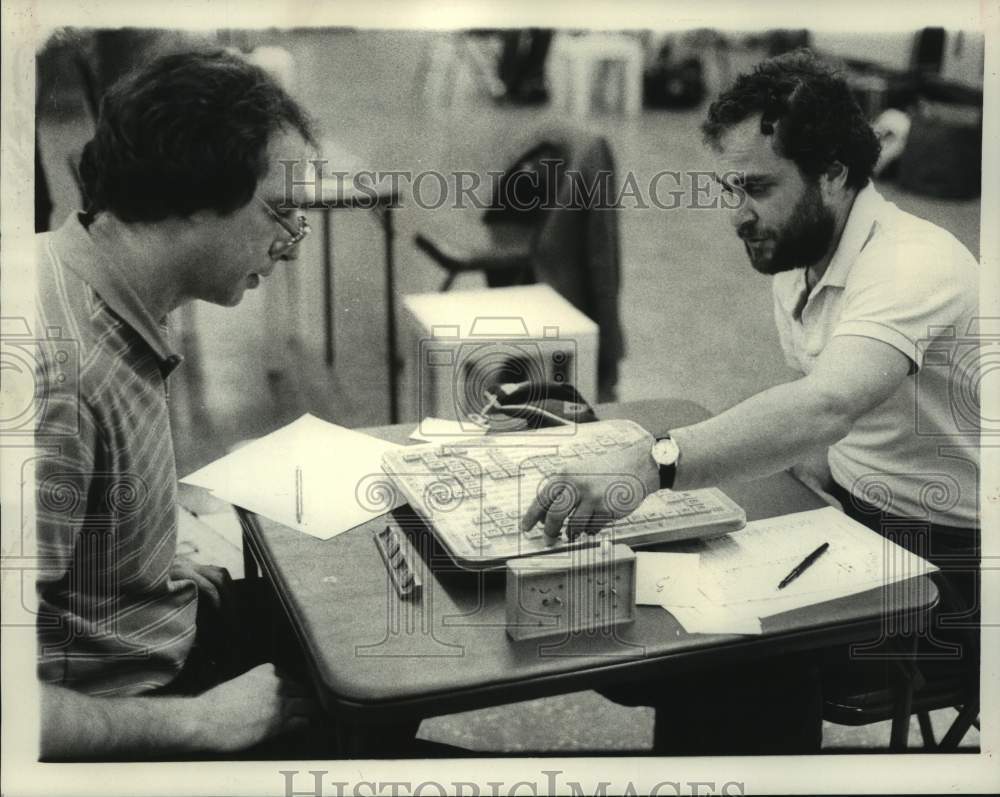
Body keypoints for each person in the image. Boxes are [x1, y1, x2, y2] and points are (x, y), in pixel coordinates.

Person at [522, 49, 980, 752]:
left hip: (957, 573)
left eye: (758, 187)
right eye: (730, 186)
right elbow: (829, 424)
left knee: (734, 656)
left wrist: (653, 463)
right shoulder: (800, 254)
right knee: (656, 604)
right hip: (860, 523)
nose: (737, 214)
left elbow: (828, 404)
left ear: (833, 174)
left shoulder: (913, 262)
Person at [34, 49, 322, 760]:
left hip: (154, 628)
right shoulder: (61, 377)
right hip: (141, 711)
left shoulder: (93, 281)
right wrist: (200, 722)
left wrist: (144, 567)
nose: (289, 243)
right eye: (278, 212)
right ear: (195, 194)